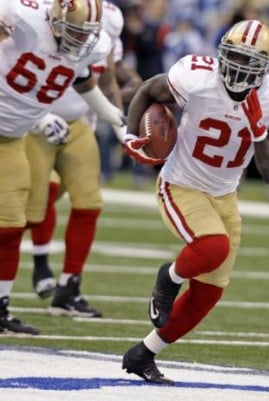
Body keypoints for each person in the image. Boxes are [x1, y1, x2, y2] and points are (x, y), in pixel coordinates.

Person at [121, 19, 269, 384]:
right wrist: (129, 134)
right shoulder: (197, 76)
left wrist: (258, 128)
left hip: (224, 194)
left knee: (208, 293)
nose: (237, 68)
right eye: (233, 57)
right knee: (213, 246)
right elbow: (146, 90)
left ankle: (143, 353)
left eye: (249, 62)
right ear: (221, 53)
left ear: (266, 68)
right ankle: (168, 278)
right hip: (181, 184)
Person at [0, 0, 126, 335]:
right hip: (21, 129)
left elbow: (84, 80)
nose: (79, 40)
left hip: (11, 139)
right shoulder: (25, 20)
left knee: (11, 228)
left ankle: (0, 309)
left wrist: (114, 117)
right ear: (55, 17)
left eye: (86, 33)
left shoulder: (91, 44)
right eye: (74, 30)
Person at [28, 0, 142, 319]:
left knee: (89, 204)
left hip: (78, 123)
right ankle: (37, 266)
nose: (82, 38)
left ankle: (68, 289)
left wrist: (122, 128)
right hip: (32, 119)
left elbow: (104, 80)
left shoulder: (110, 20)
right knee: (26, 212)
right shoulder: (30, 12)